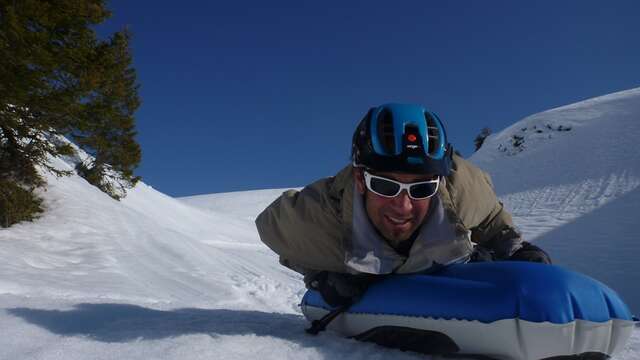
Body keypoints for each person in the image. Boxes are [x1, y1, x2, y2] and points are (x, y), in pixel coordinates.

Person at [255, 103, 550, 308]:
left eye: (421, 188)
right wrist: (320, 274)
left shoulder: (464, 191)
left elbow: (493, 221)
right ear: (360, 179)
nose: (403, 206)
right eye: (385, 186)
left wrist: (517, 250)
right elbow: (274, 232)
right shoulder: (319, 216)